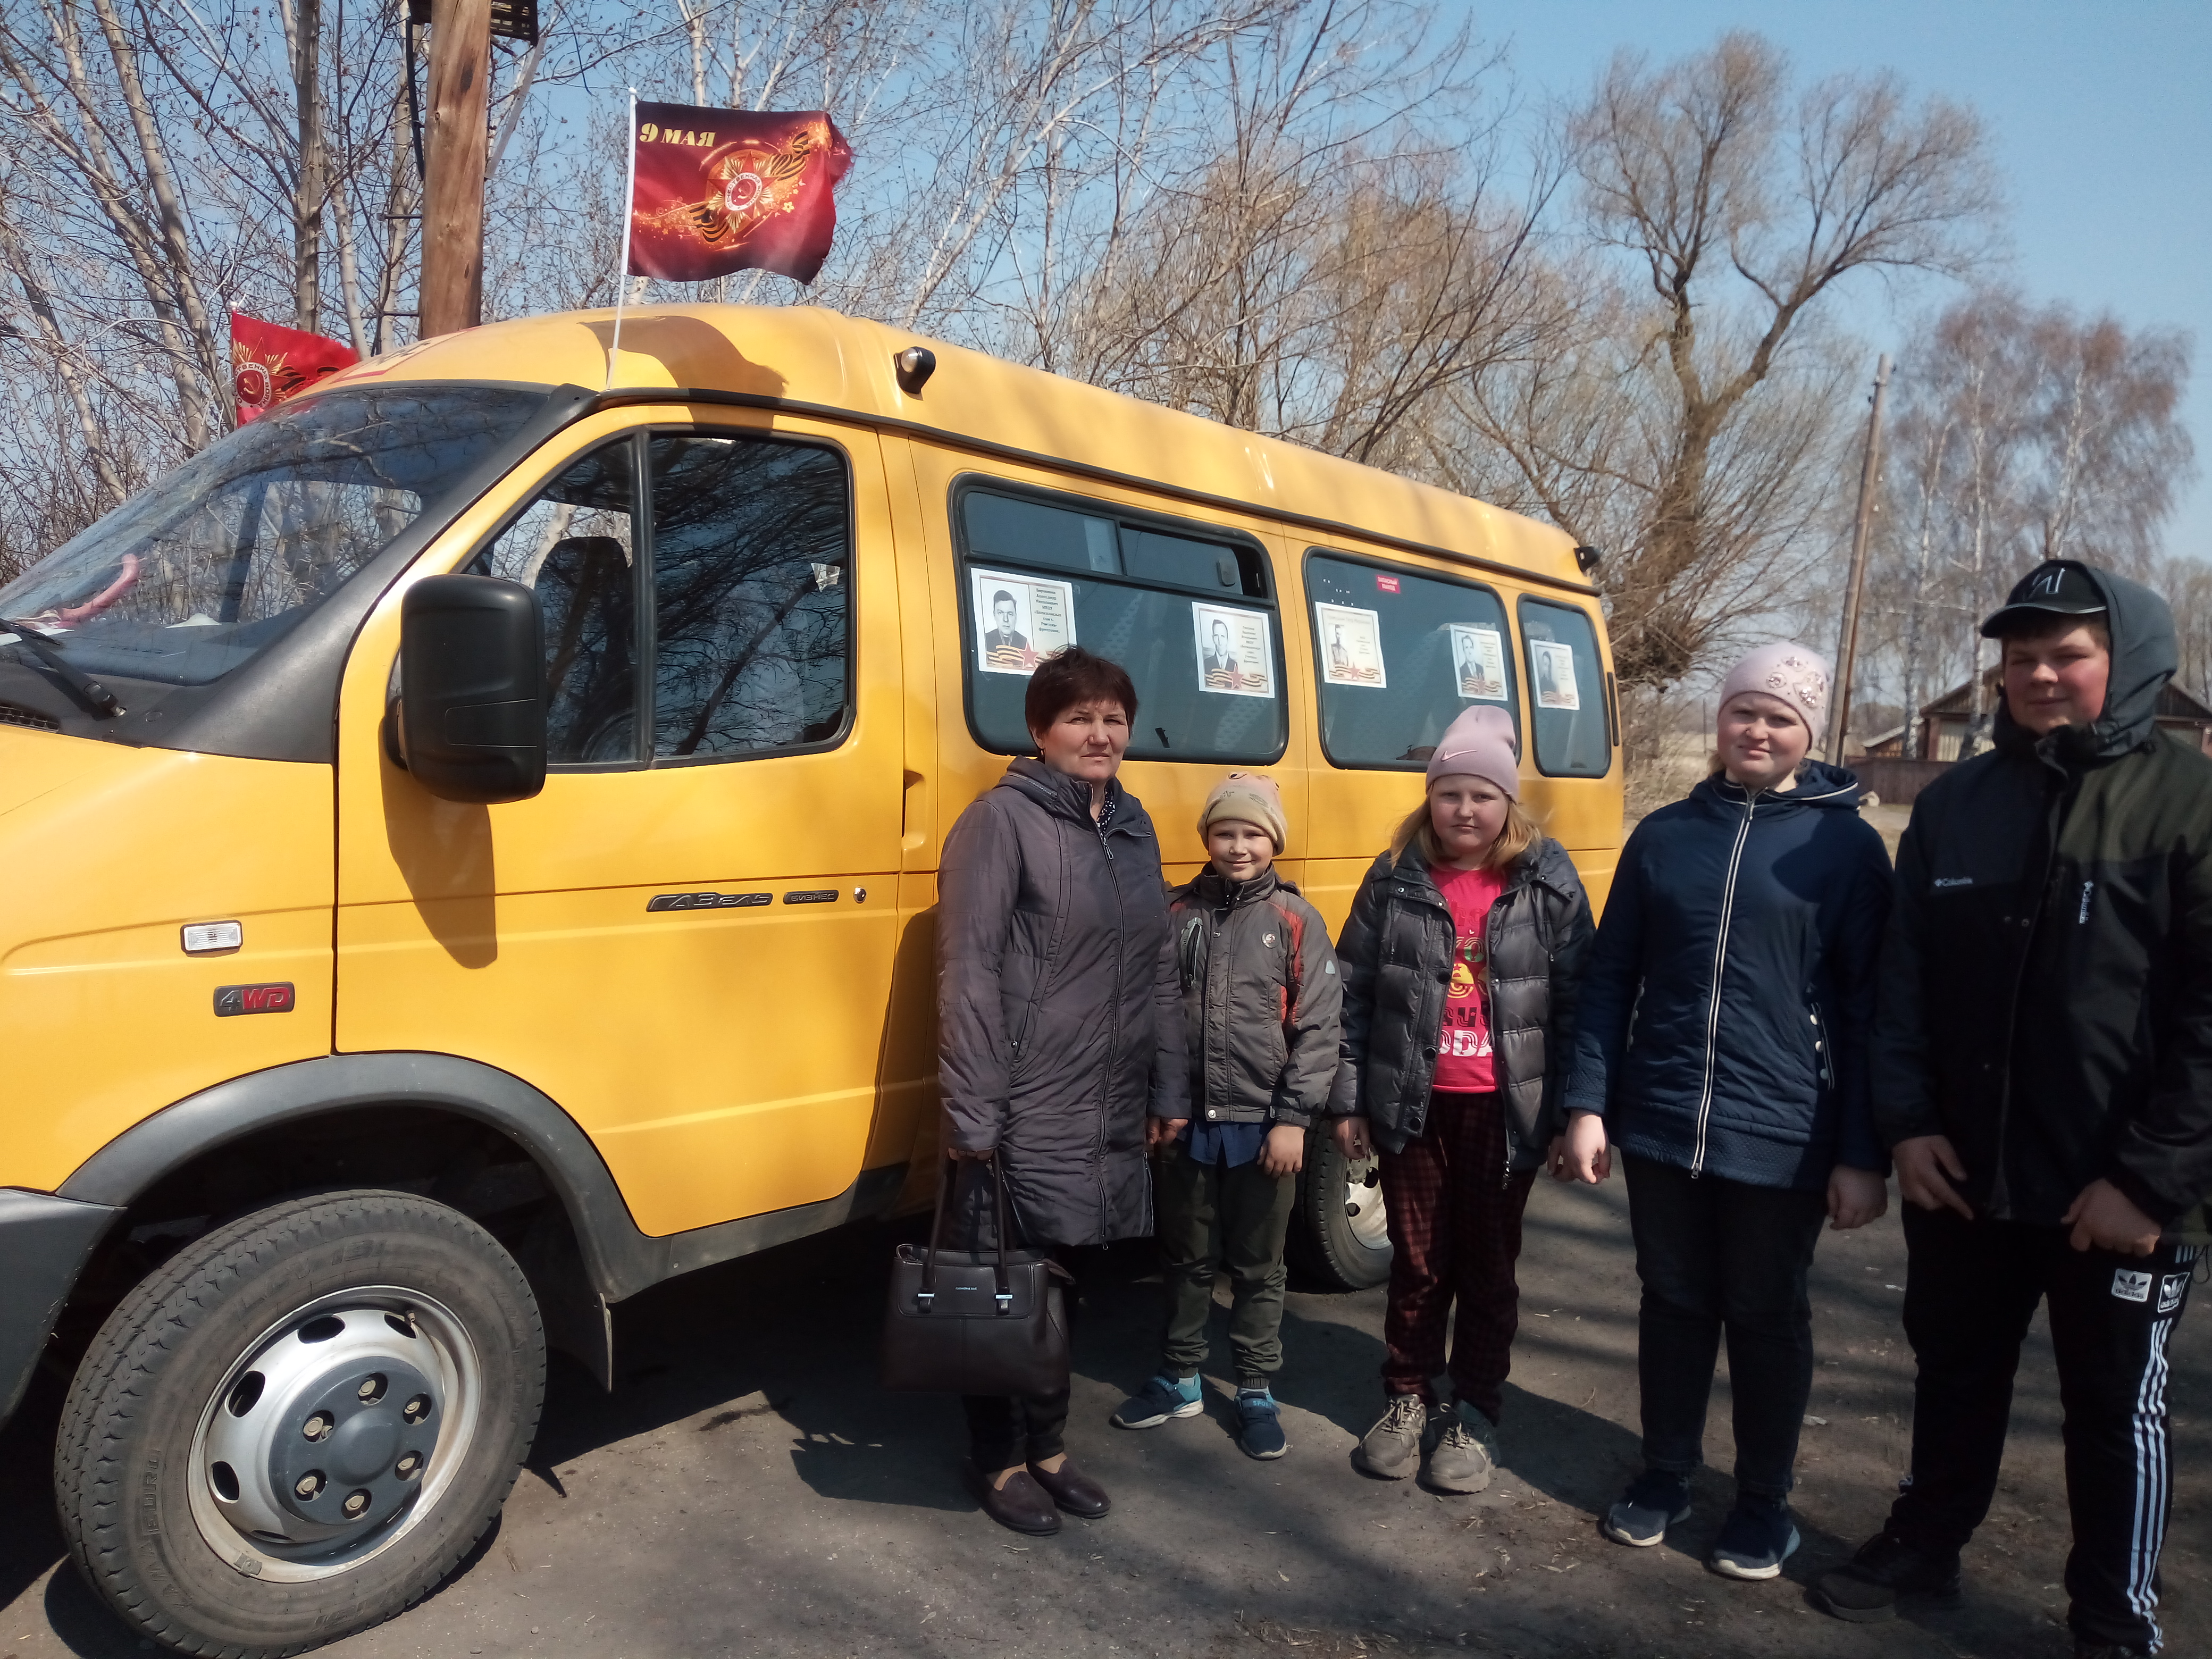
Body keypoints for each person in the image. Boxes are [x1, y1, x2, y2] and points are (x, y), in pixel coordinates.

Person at [1812, 562, 2212, 1659]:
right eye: (2019, 657)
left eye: (2065, 655)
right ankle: (1926, 1538)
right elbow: (1904, 986)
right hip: (1965, 1171)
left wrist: (2151, 1178)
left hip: (2116, 1189)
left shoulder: (2189, 803)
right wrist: (1905, 1124)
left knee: (2111, 1402)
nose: (2037, 675)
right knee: (1955, 1368)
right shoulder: (1955, 806)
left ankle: (2111, 1612)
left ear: (2124, 661)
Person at [1556, 642, 1892, 1581]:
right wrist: (1589, 1103)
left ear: (1808, 734)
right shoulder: (1665, 836)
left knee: (1765, 1313)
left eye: (1780, 717)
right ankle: (1665, 1474)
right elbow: (1610, 975)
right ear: (1721, 722)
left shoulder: (1848, 849)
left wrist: (1862, 1152)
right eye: (1744, 711)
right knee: (1672, 1302)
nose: (1758, 729)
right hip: (1661, 1118)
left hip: (1784, 1133)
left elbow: (1870, 1010)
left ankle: (1763, 1503)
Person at [936, 646, 1189, 1536]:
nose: (1101, 733)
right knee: (1005, 1288)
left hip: (1110, 1098)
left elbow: (1158, 967)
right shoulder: (999, 822)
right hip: (1023, 1098)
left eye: (1114, 718)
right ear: (1039, 730)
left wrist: (1168, 1082)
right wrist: (973, 1112)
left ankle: (1047, 1446)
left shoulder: (1134, 825)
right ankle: (996, 1454)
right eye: (1080, 718)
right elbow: (968, 972)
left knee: (1066, 1284)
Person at [1333, 703, 1594, 1493]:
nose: (1465, 810)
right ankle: (1408, 1396)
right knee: (1417, 1265)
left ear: (1507, 802)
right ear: (1430, 798)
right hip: (1414, 1108)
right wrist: (1347, 1100)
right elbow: (1350, 992)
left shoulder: (1548, 883)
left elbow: (1582, 1001)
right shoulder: (1395, 878)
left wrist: (1574, 1111)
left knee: (1487, 1267)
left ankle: (1476, 1411)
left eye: (1483, 794)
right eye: (1450, 793)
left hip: (1505, 1114)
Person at [1112, 773, 1342, 1458]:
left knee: (1258, 1264)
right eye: (1225, 833)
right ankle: (1181, 1377)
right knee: (1185, 1256)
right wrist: (1162, 1103)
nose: (1238, 847)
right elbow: (1149, 1014)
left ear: (1273, 841)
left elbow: (1321, 1027)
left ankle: (1253, 1388)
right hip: (1187, 1123)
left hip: (1266, 1124)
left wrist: (1295, 1119)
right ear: (1207, 838)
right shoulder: (1177, 912)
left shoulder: (1296, 921)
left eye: (1252, 834)